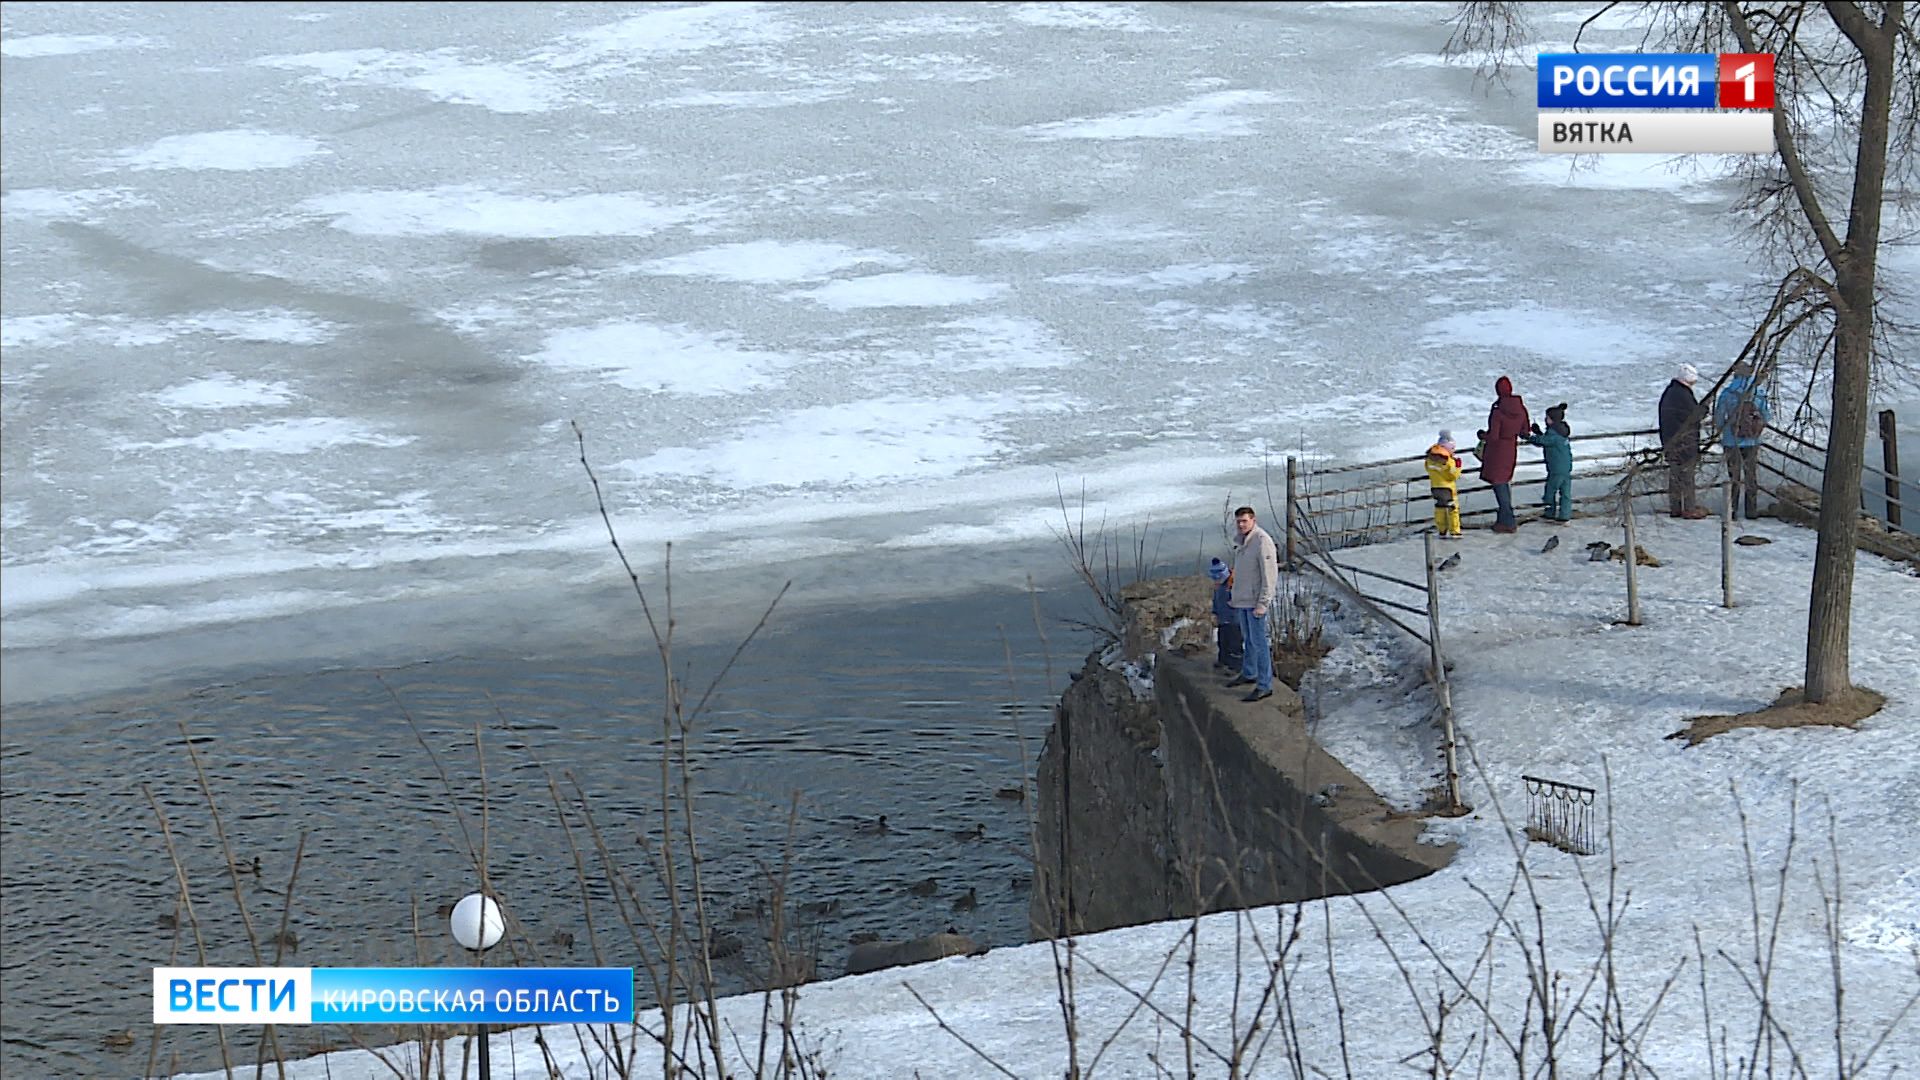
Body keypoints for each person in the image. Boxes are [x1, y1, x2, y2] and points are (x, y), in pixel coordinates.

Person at [1224, 506, 1279, 703]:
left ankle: (1265, 685)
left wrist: (1263, 603)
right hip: (1243, 600)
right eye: (1238, 521)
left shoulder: (1262, 542)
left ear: (1253, 520)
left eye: (1244, 521)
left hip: (1256, 602)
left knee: (1259, 643)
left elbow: (1269, 575)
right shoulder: (1242, 542)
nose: (1240, 525)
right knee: (1248, 639)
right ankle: (1249, 673)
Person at [1713, 361, 1771, 520]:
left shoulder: (1728, 393)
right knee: (1751, 476)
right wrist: (1756, 429)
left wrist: (1723, 431)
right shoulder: (1758, 392)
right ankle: (1751, 511)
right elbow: (1766, 415)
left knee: (1734, 477)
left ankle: (1732, 511)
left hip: (1732, 441)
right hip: (1752, 441)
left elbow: (1719, 416)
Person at [1480, 376, 1531, 533]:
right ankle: (1503, 519)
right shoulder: (1521, 408)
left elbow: (1494, 436)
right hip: (1511, 449)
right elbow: (1525, 431)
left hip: (1497, 451)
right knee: (1504, 482)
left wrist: (1482, 436)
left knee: (1499, 484)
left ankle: (1508, 520)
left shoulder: (1498, 411)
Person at [1660, 364, 1709, 519]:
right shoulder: (1683, 395)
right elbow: (1694, 416)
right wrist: (1705, 408)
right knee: (1687, 476)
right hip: (1685, 442)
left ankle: (1675, 507)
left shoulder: (1669, 392)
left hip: (1669, 440)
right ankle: (1688, 508)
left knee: (1675, 475)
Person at [1528, 402, 1574, 522]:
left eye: (1547, 417)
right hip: (1566, 467)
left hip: (1556, 468)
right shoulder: (1561, 431)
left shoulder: (1553, 434)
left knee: (1550, 491)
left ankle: (1549, 512)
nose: (1545, 419)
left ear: (1552, 420)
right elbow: (1547, 440)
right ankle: (1565, 515)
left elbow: (1542, 441)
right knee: (1565, 493)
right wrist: (1538, 432)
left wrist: (1528, 436)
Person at [1425, 430, 1465, 537]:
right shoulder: (1448, 461)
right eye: (1452, 448)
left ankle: (1441, 530)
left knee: (1440, 508)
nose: (1454, 451)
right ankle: (1454, 531)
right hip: (1448, 489)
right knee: (1453, 509)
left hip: (1435, 487)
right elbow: (1453, 476)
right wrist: (1458, 466)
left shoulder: (1430, 460)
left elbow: (1428, 469)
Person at [1208, 558, 1243, 672]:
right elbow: (1216, 600)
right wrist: (1215, 612)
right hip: (1223, 619)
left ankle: (1235, 666)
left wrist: (1234, 603)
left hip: (1234, 620)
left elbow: (1240, 599)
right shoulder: (1219, 588)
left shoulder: (1233, 584)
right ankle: (1223, 660)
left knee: (1234, 644)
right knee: (1222, 641)